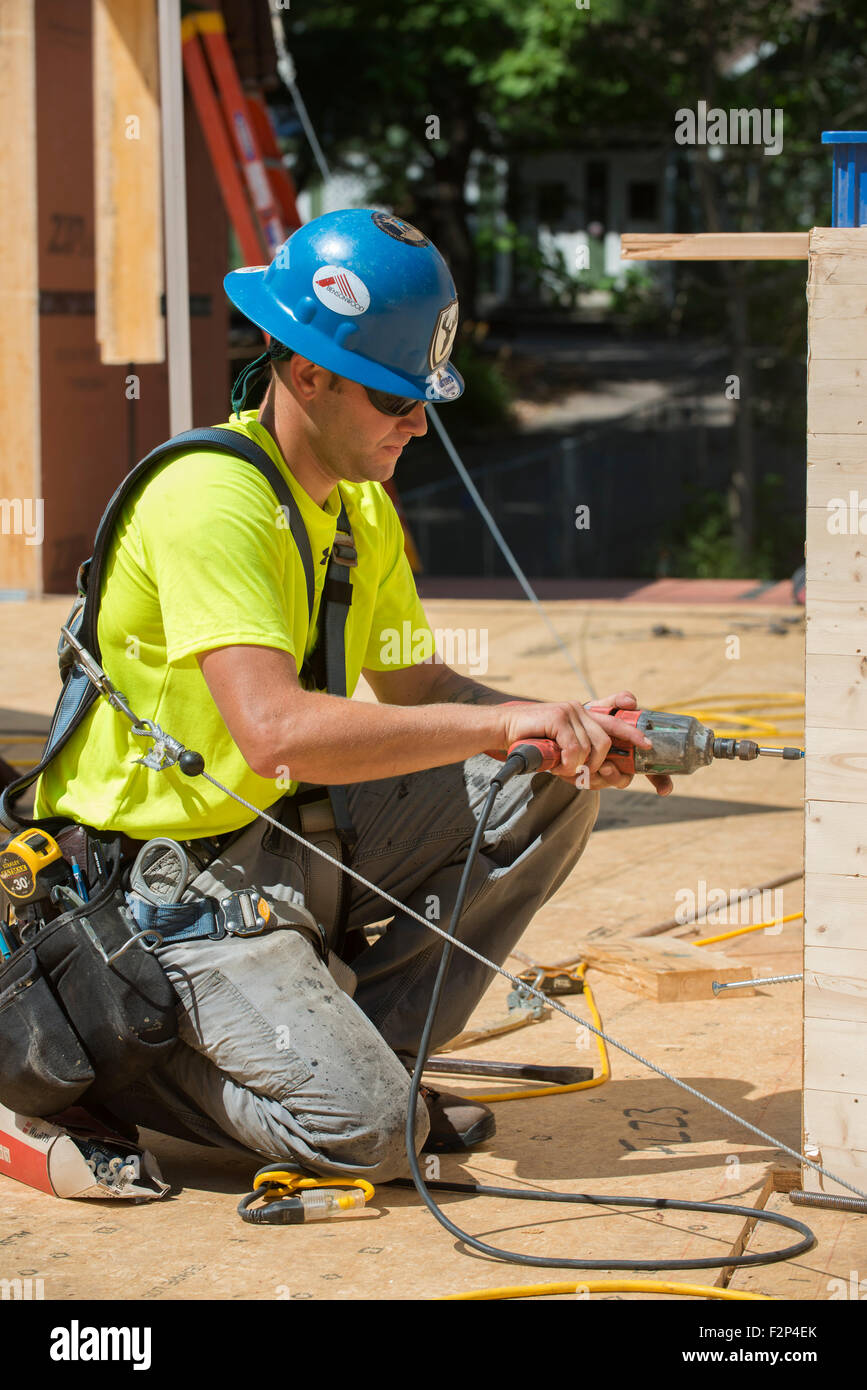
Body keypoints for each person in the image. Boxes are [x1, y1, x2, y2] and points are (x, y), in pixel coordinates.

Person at [33, 209, 671, 1183]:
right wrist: (499, 721)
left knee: (542, 778)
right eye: (392, 396)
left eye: (422, 397)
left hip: (278, 836)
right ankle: (98, 1058)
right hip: (166, 890)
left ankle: (370, 1058)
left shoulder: (357, 505)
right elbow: (277, 733)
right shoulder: (214, 497)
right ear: (307, 369)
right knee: (370, 1135)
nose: (417, 422)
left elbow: (421, 684)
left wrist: (566, 728)